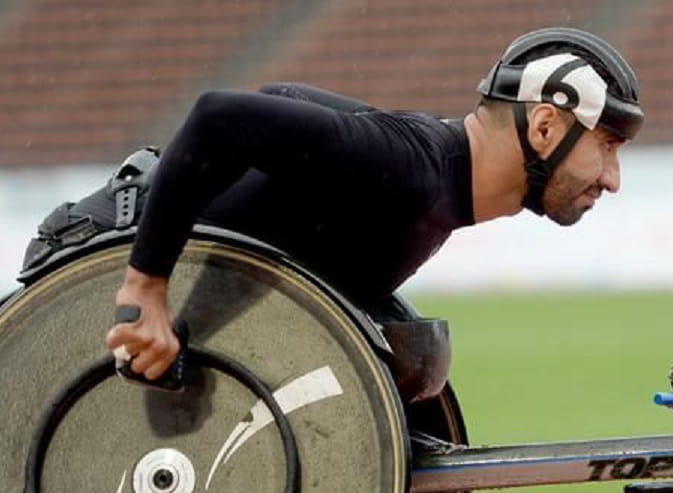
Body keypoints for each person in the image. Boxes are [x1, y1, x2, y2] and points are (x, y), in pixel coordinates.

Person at [96, 27, 644, 381]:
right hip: (92, 268)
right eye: (607, 147)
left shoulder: (431, 174)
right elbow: (221, 118)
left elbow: (282, 96)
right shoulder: (413, 169)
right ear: (546, 126)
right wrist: (145, 287)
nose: (612, 180)